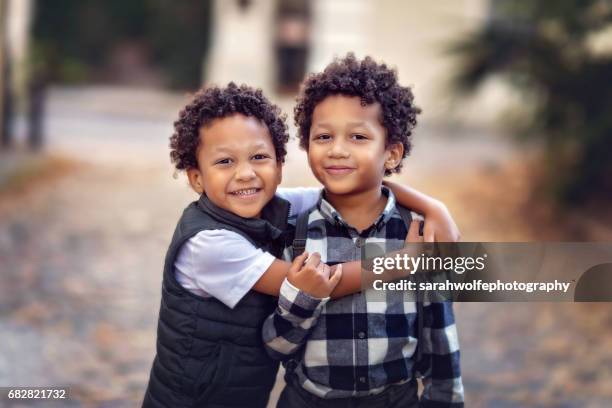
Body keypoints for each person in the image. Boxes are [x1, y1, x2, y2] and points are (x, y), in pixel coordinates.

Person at [142, 82, 459, 407]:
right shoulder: (207, 244)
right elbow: (318, 280)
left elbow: (358, 186)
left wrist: (434, 207)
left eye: (259, 157)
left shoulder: (273, 204)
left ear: (279, 168)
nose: (246, 174)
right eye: (225, 162)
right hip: (190, 399)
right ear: (196, 178)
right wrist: (400, 263)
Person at [263, 54, 464, 407]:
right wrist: (304, 299)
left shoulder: (417, 235)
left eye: (358, 136)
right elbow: (276, 345)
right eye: (323, 136)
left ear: (391, 154)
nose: (337, 150)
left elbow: (440, 338)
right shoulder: (294, 234)